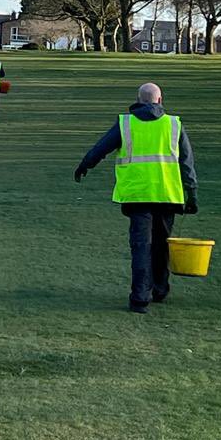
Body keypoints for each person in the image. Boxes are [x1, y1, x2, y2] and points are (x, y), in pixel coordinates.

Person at [74, 82, 198, 314]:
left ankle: (140, 298)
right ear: (160, 100)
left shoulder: (126, 123)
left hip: (137, 194)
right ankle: (160, 290)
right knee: (162, 245)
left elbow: (102, 147)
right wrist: (192, 194)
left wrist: (85, 165)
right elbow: (186, 163)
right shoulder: (174, 124)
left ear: (138, 100)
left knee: (142, 247)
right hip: (167, 195)